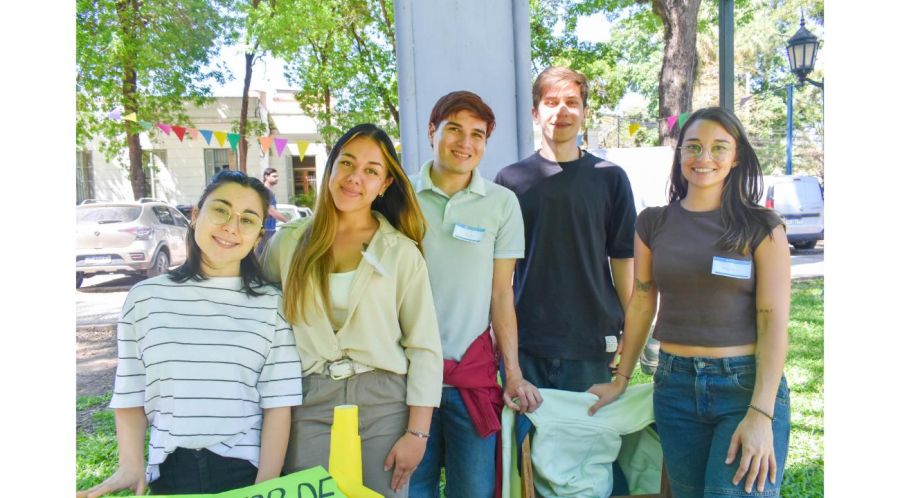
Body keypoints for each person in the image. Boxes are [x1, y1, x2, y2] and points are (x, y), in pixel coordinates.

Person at [589, 107, 792, 497]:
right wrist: (621, 379)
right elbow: (642, 301)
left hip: (743, 386)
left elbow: (772, 319)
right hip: (675, 384)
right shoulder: (652, 222)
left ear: (736, 157)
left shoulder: (762, 227)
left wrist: (761, 412)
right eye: (694, 146)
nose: (704, 157)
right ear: (680, 152)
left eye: (719, 147)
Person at [77, 170, 303, 497]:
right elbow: (131, 391)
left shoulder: (272, 304)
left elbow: (279, 404)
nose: (231, 227)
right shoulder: (145, 299)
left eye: (247, 219)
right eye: (221, 210)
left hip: (245, 471)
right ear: (196, 216)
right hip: (170, 474)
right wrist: (130, 464)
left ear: (258, 236)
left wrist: (265, 487)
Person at [262, 123, 443, 498]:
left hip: (384, 403)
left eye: (371, 171)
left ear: (385, 184)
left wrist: (418, 433)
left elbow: (424, 345)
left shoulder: (400, 252)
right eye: (346, 163)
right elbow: (262, 327)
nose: (354, 177)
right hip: (306, 400)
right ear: (330, 166)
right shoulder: (288, 244)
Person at [408, 91, 543, 498]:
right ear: (432, 132)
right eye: (454, 129)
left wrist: (513, 372)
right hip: (407, 381)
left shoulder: (502, 204)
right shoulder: (399, 196)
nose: (465, 143)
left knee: (475, 491)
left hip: (471, 378)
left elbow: (502, 294)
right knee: (409, 490)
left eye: (477, 134)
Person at [494, 66, 636, 393]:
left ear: (584, 112)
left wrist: (631, 325)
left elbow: (623, 261)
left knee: (588, 428)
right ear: (535, 113)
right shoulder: (510, 181)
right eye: (551, 102)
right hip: (526, 341)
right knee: (528, 430)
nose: (562, 111)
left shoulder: (610, 178)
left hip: (593, 340)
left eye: (572, 102)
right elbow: (499, 277)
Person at [258, 167, 289, 256]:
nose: (277, 178)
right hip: (266, 230)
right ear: (266, 177)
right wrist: (288, 221)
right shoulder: (266, 192)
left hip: (268, 230)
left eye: (277, 176)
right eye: (274, 176)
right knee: (264, 257)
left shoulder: (266, 191)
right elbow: (271, 211)